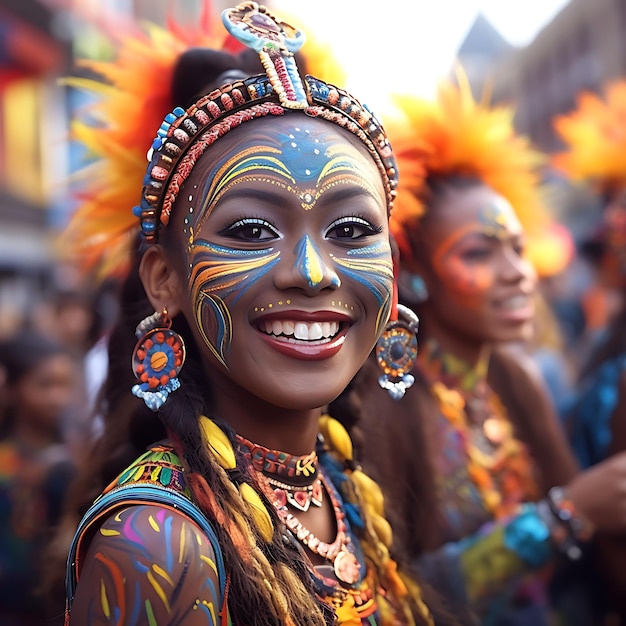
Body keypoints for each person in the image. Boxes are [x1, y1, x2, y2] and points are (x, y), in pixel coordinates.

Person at [60, 4, 452, 625]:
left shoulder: (342, 488)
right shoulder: (155, 542)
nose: (314, 270)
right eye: (250, 229)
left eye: (350, 229)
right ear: (165, 280)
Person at [336, 76, 626, 625]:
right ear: (415, 271)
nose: (518, 272)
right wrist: (562, 517)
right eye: (480, 253)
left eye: (517, 248)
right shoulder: (381, 404)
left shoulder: (515, 381)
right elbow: (393, 596)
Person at [0, 331, 76, 626]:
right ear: (12, 387)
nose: (57, 398)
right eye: (44, 385)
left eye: (63, 386)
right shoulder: (7, 463)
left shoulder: (75, 457)